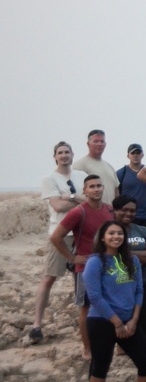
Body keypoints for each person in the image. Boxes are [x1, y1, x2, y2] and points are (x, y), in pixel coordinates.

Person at [83, 221, 146, 382]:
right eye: (111, 233)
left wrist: (133, 320)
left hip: (129, 322)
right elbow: (95, 296)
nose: (116, 237)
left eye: (119, 233)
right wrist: (116, 322)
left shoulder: (132, 259)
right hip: (102, 321)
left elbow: (139, 291)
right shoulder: (95, 262)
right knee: (100, 367)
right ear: (103, 237)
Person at [48, 174, 113, 359]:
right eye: (92, 186)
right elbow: (56, 237)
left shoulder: (109, 209)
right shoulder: (79, 211)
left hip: (108, 266)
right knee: (86, 307)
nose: (96, 189)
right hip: (85, 269)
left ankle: (114, 343)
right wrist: (73, 258)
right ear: (84, 191)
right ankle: (87, 348)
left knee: (110, 303)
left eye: (99, 186)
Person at [30, 142, 89, 343]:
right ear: (55, 157)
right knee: (49, 278)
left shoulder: (81, 176)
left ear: (73, 155)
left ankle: (86, 323)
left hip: (82, 232)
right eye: (60, 153)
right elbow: (57, 205)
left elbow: (88, 199)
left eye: (67, 152)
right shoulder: (49, 179)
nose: (64, 156)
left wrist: (69, 196)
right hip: (61, 232)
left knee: (81, 278)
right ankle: (37, 324)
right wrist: (78, 198)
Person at [114, 196, 146, 382]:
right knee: (114, 330)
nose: (128, 214)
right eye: (124, 210)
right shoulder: (109, 231)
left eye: (132, 211)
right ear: (115, 210)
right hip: (117, 288)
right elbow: (106, 256)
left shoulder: (143, 230)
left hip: (143, 284)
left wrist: (125, 254)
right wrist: (140, 255)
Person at [73, 130, 119, 205]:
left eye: (102, 141)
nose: (99, 144)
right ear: (88, 144)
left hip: (109, 212)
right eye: (96, 141)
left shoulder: (109, 167)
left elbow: (116, 191)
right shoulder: (80, 165)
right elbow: (76, 192)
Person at [117, 144, 146, 226]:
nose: (135, 155)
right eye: (133, 153)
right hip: (127, 216)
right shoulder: (121, 173)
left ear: (142, 155)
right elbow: (117, 195)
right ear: (128, 156)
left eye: (138, 153)